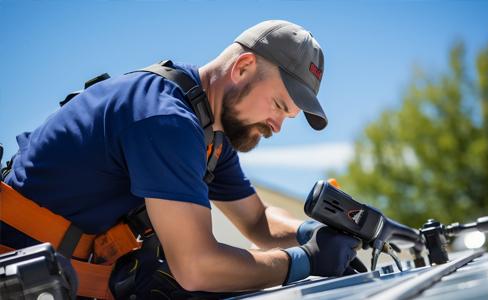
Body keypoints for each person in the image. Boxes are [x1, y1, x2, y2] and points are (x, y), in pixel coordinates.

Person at [0, 20, 362, 298]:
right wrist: (305, 261)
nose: (278, 126)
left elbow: (258, 221)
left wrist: (312, 234)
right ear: (243, 68)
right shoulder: (165, 118)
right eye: (279, 106)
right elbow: (196, 266)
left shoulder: (211, 134)